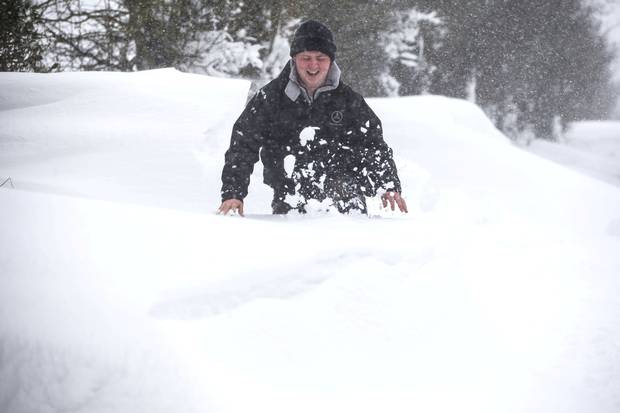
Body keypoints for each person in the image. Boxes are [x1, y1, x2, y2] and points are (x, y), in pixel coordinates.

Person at [218, 20, 407, 216]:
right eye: (305, 57)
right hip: (290, 195)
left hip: (345, 196)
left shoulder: (349, 101)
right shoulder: (271, 98)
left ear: (331, 60)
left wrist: (388, 184)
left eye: (321, 57)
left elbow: (373, 145)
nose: (313, 65)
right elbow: (243, 143)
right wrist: (233, 192)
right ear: (294, 59)